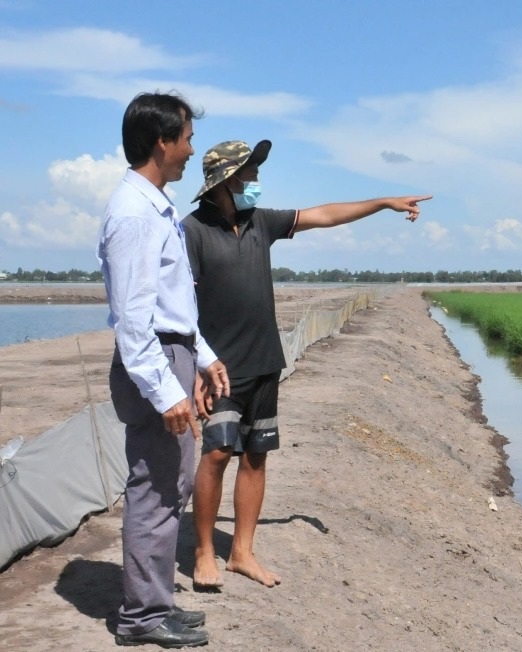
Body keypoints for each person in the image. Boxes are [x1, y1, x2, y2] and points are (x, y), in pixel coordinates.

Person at [183, 139, 431, 590]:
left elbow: (324, 215)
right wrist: (197, 366)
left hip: (263, 362)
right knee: (217, 454)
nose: (255, 181)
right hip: (219, 368)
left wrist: (382, 203)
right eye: (249, 174)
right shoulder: (193, 231)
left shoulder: (261, 223)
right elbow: (180, 304)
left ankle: (241, 552)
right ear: (225, 181)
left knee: (255, 457)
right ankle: (204, 552)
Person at [97, 92, 230, 648]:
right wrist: (163, 390)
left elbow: (172, 304)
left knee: (170, 480)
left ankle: (154, 602)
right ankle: (142, 616)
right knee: (155, 486)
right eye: (187, 138)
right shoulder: (133, 213)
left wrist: (202, 356)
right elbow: (133, 319)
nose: (190, 149)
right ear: (161, 141)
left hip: (169, 352)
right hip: (151, 359)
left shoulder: (154, 205)